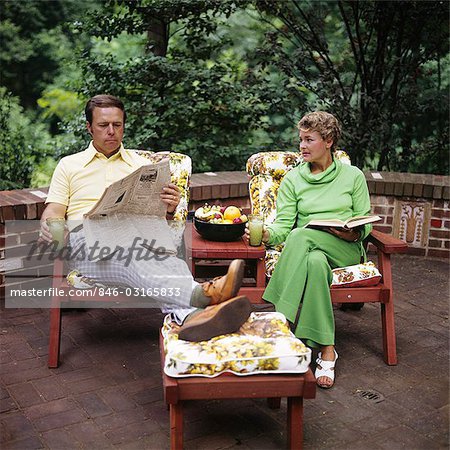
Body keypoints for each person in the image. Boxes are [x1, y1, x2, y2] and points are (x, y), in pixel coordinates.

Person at [39, 94, 251, 341]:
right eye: (103, 125)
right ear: (89, 127)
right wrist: (49, 224)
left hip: (137, 238)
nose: (111, 131)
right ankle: (202, 294)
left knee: (157, 253)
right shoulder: (69, 165)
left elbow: (157, 216)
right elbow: (54, 210)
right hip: (88, 244)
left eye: (117, 125)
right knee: (135, 251)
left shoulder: (142, 166)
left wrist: (170, 207)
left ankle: (192, 316)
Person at [246, 111, 372, 388]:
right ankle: (327, 349)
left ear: (328, 141)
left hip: (345, 248)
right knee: (313, 261)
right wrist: (266, 233)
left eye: (309, 140)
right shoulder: (293, 180)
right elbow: (282, 228)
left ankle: (280, 320)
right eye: (300, 140)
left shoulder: (353, 176)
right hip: (309, 251)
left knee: (301, 236)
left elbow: (366, 221)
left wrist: (354, 231)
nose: (302, 146)